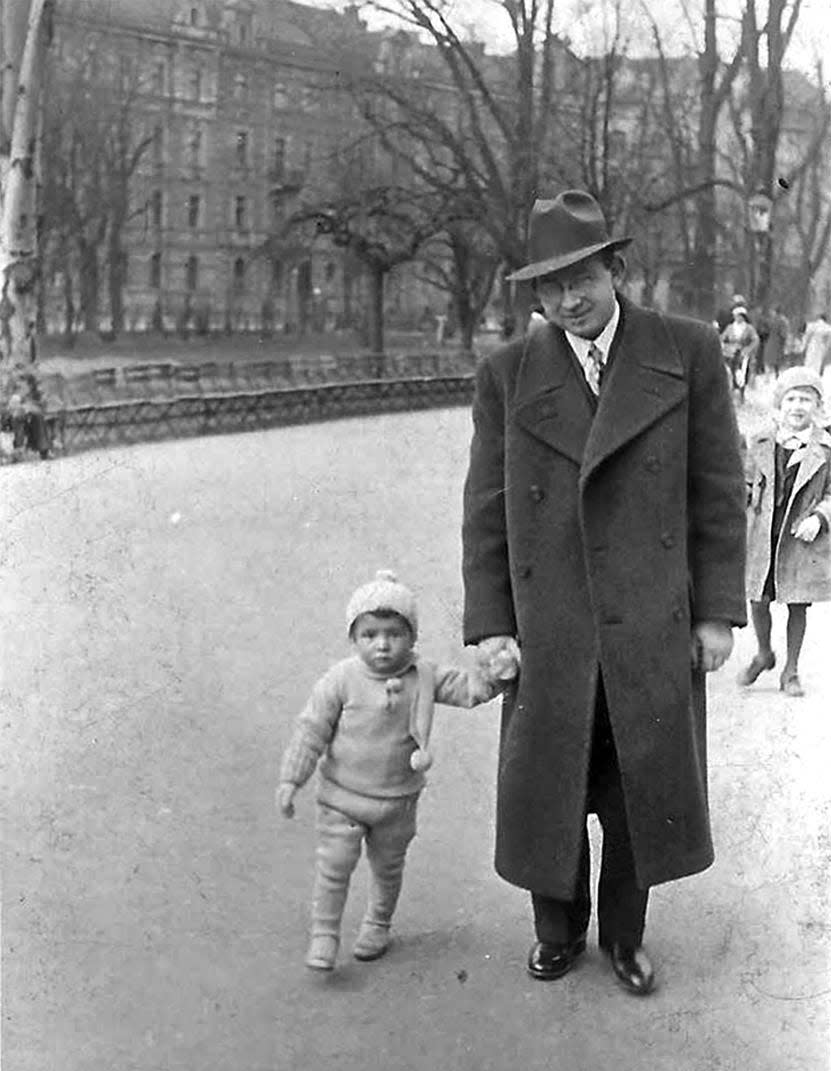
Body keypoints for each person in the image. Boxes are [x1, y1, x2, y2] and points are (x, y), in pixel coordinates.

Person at [461, 190, 746, 996]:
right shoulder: (508, 373)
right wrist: (488, 625)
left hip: (650, 617)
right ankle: (557, 932)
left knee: (635, 790)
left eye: (579, 279)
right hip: (548, 623)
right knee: (551, 780)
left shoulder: (685, 352)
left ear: (616, 269)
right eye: (547, 289)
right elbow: (484, 508)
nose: (564, 301)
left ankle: (624, 937)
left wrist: (718, 611)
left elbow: (717, 489)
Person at [277, 570, 514, 972]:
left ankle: (378, 925)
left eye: (394, 633)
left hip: (397, 802)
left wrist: (499, 671)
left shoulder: (424, 676)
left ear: (412, 637)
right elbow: (311, 729)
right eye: (370, 634)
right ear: (354, 639)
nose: (383, 645)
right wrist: (291, 778)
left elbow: (469, 690)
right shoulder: (341, 680)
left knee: (388, 869)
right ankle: (325, 933)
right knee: (334, 867)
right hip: (342, 799)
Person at [737, 366, 831, 697]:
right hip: (762, 531)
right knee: (757, 598)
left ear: (818, 407)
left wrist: (819, 517)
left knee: (797, 602)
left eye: (806, 400)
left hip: (799, 537)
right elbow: (744, 482)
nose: (797, 406)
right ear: (779, 404)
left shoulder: (826, 449)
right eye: (791, 398)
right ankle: (764, 653)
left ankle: (791, 670)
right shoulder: (759, 441)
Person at [720, 305, 760, 396]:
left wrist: (748, 349)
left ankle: (742, 393)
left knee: (742, 373)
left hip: (743, 355)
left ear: (743, 317)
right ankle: (732, 391)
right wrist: (726, 347)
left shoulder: (749, 328)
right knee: (731, 372)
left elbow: (756, 340)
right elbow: (722, 339)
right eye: (735, 316)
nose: (737, 318)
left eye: (739, 316)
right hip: (730, 354)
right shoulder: (730, 327)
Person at [763, 306, 790, 377]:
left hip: (772, 341)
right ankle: (776, 375)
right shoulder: (783, 321)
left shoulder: (773, 320)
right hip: (777, 342)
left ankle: (769, 375)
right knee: (777, 360)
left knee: (771, 359)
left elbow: (766, 330)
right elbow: (784, 334)